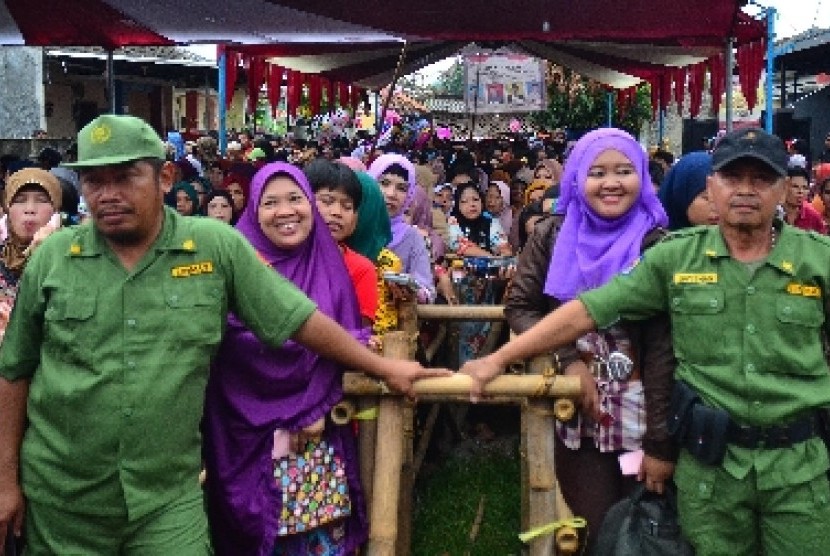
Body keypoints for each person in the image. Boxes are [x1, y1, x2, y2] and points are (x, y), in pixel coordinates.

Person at [0, 115, 448, 555]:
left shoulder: (215, 247)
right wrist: (5, 482)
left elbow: (296, 319)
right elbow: (14, 369)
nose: (109, 194)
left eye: (126, 176)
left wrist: (384, 367)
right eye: (95, 181)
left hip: (166, 500)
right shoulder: (53, 258)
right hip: (63, 501)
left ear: (165, 176)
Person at [462, 127, 830, 555]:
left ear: (786, 188)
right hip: (712, 471)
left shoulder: (818, 259)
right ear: (712, 186)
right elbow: (587, 310)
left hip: (798, 470)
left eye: (762, 179)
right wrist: (497, 359)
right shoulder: (674, 257)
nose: (746, 190)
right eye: (732, 178)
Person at [502, 128, 672, 553]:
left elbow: (664, 345)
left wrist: (660, 442)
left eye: (624, 171)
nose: (611, 182)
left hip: (645, 414)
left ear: (643, 178)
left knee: (644, 527)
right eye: (597, 172)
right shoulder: (553, 233)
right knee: (597, 529)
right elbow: (520, 305)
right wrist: (567, 360)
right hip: (580, 414)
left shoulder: (660, 244)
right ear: (577, 177)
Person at [203, 163, 371, 555]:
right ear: (253, 212)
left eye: (296, 199)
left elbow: (346, 344)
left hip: (318, 440)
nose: (286, 211)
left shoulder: (330, 269)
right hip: (245, 441)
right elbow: (229, 350)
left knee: (319, 540)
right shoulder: (234, 269)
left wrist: (319, 406)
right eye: (271, 202)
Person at [305, 158, 378, 327]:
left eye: (347, 206)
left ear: (355, 218)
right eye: (327, 201)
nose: (337, 212)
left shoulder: (361, 269)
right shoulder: (281, 257)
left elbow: (359, 331)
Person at [0, 169, 62, 338]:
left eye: (42, 201)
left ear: (56, 209)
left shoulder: (71, 258)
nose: (30, 209)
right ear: (7, 208)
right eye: (19, 200)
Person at [368, 153, 436, 303]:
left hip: (399, 322)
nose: (391, 194)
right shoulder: (355, 228)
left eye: (401, 188)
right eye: (384, 183)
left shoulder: (413, 237)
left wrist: (412, 290)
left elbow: (427, 290)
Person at [658, 151, 719, 230]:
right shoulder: (649, 238)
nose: (717, 206)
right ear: (682, 195)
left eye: (720, 197)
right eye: (707, 197)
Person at [782, 166, 826, 233]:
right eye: (795, 186)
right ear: (784, 187)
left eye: (805, 188)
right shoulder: (773, 212)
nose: (800, 191)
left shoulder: (813, 216)